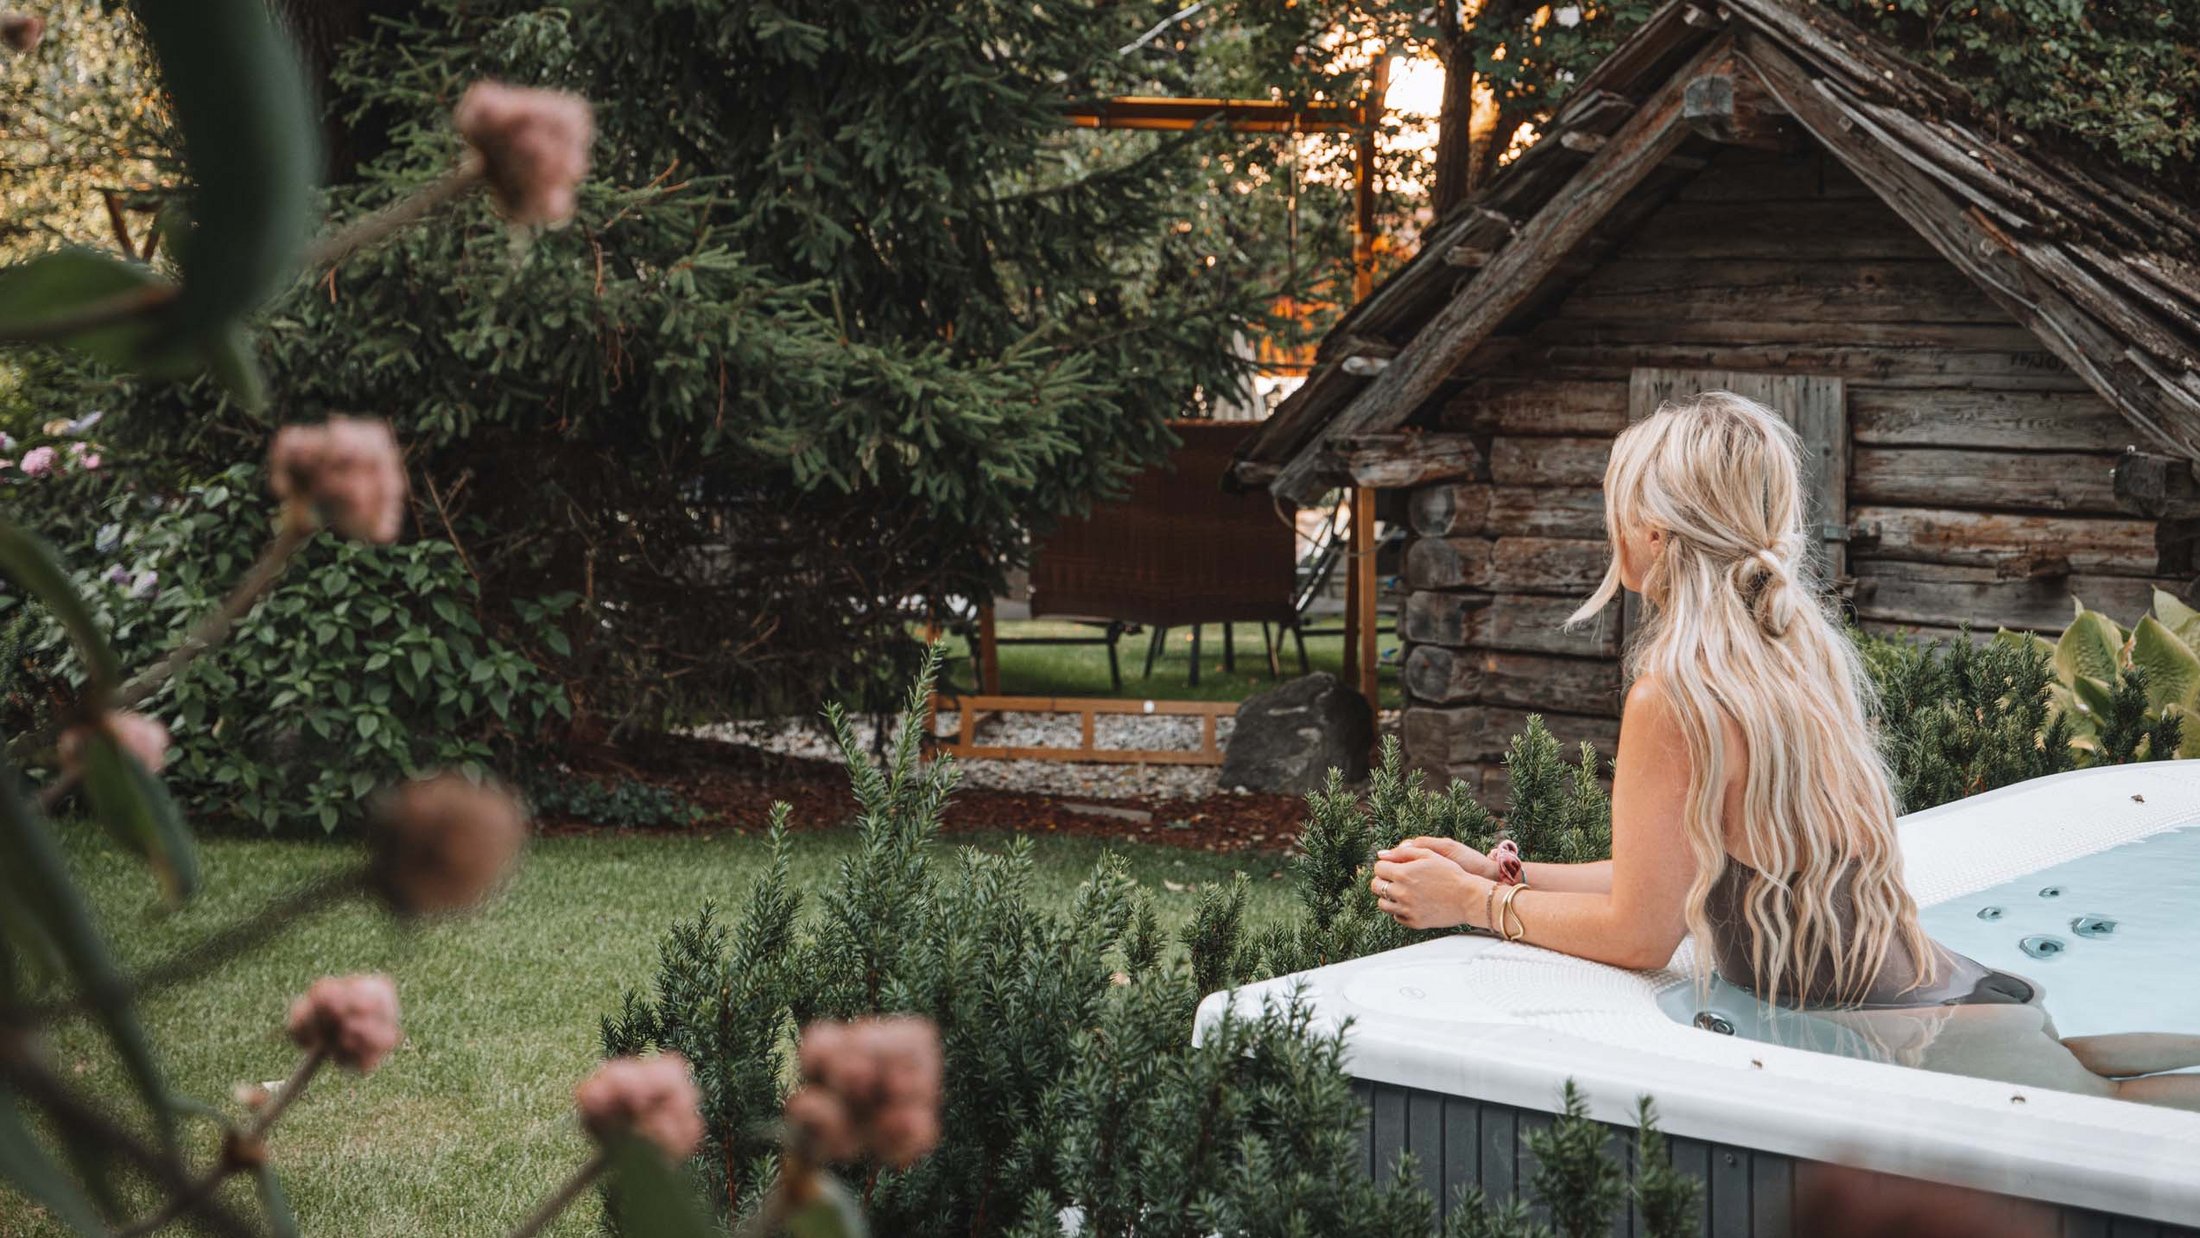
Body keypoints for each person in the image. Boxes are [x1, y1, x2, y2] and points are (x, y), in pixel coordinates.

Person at [1367, 391, 2200, 1108]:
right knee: (2105, 1090)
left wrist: (1471, 906)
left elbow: (1640, 937)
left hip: (1913, 1030)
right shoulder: (1791, 654)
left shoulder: (1673, 693)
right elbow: (1682, 877)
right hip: (1958, 991)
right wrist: (1501, 870)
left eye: (1615, 503)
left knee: (2117, 1110)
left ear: (1654, 533)